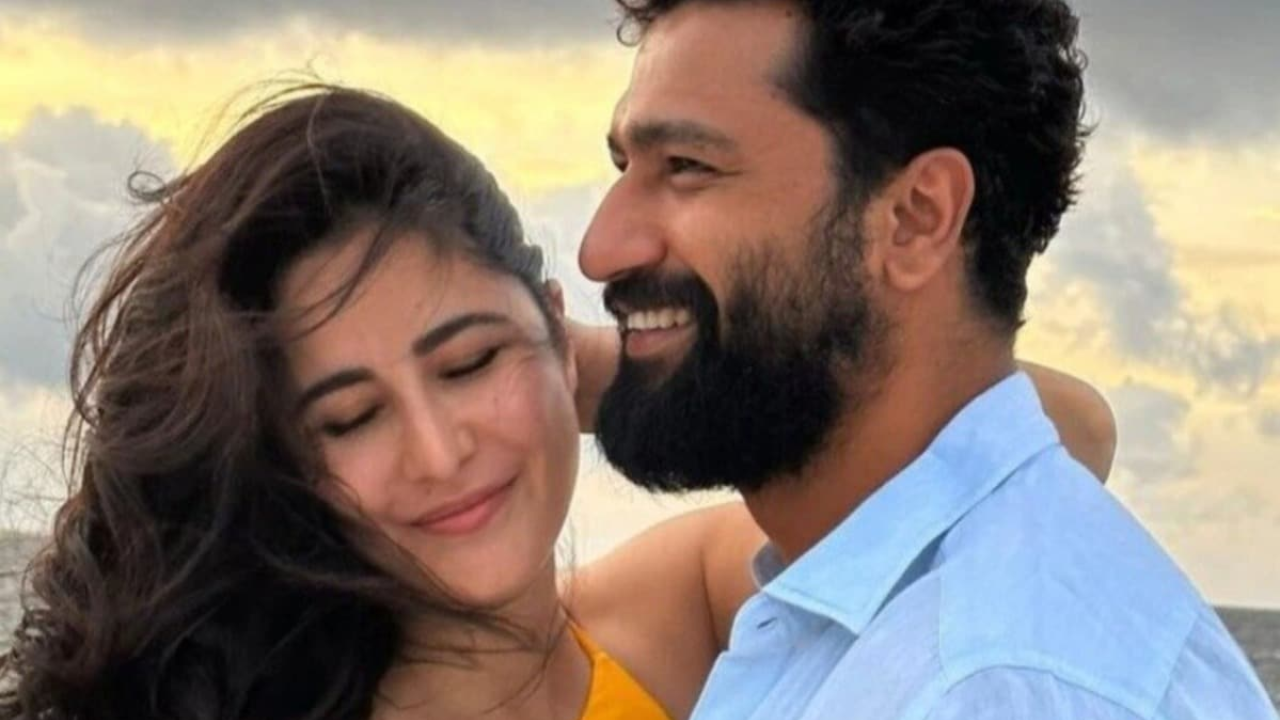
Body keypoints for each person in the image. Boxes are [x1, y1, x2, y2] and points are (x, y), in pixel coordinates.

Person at [0, 85, 1115, 720]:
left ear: (550, 322)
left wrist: (630, 378)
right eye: (350, 418)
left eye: (468, 361)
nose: (439, 450)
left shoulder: (673, 616)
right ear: (287, 462)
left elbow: (1053, 437)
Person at [578, 1, 1277, 719]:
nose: (599, 250)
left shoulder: (986, 686)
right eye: (625, 167)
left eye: (687, 167)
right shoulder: (869, 619)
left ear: (917, 218)